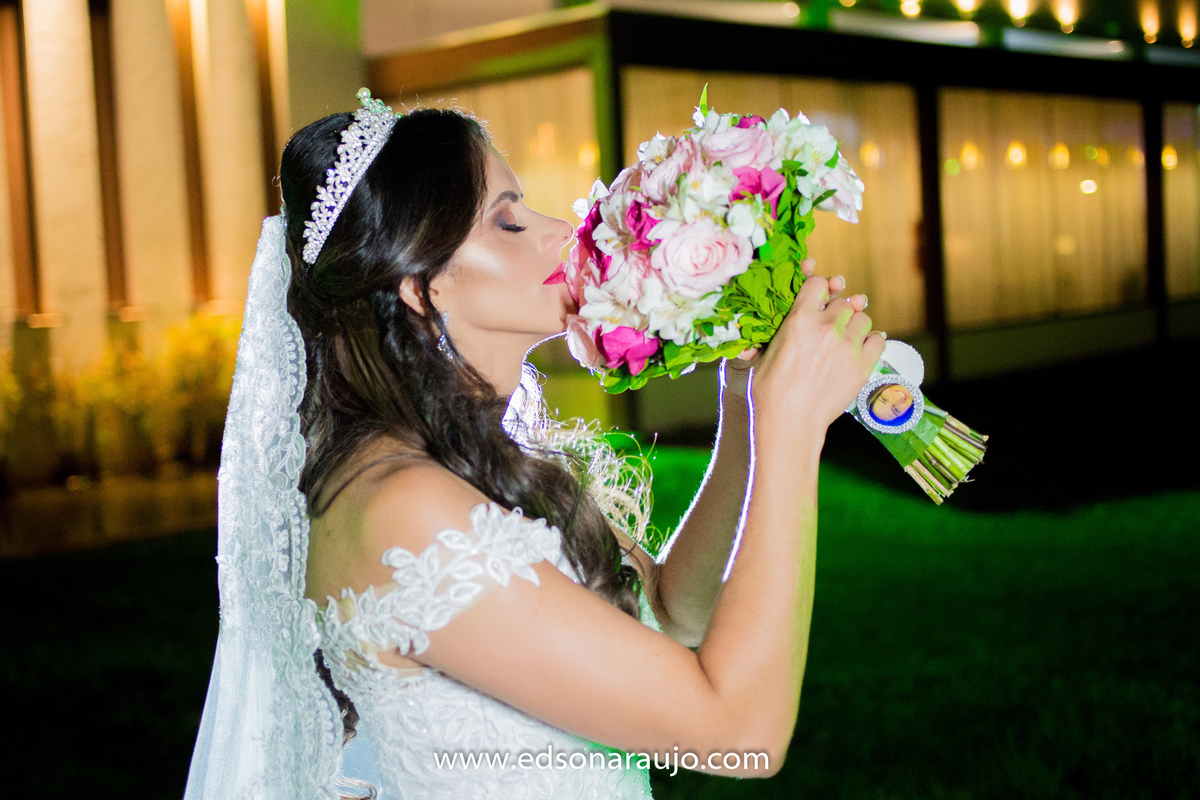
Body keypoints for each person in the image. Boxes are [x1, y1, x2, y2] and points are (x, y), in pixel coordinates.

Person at [183, 91, 883, 800]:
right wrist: (796, 430)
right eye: (509, 221)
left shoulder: (480, 461)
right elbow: (741, 737)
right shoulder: (406, 507)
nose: (563, 231)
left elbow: (672, 614)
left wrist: (749, 412)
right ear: (421, 288)